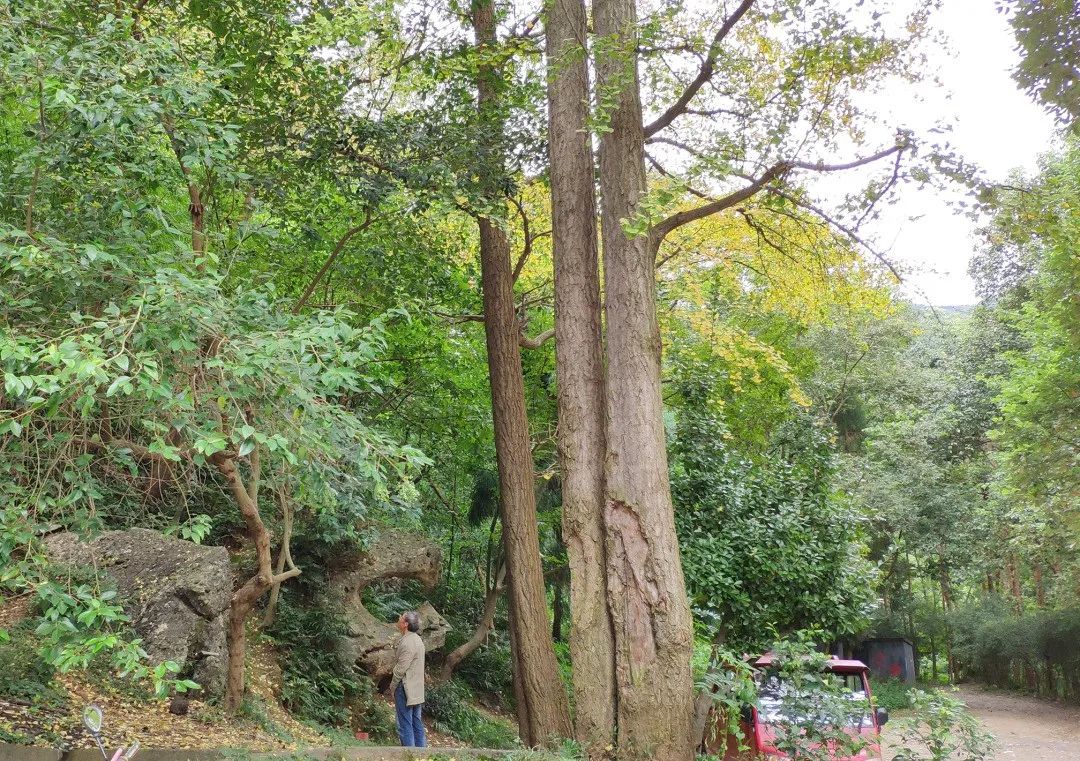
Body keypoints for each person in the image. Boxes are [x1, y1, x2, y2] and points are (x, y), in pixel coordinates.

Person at [388, 610, 426, 747]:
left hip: (405, 687)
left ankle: (409, 755)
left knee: (405, 724)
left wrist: (392, 686)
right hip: (417, 688)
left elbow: (401, 668)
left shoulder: (408, 642)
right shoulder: (418, 640)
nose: (398, 618)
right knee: (416, 723)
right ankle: (422, 755)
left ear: (405, 624)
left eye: (401, 617)